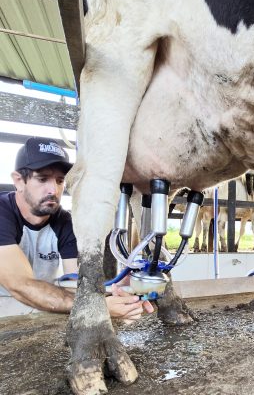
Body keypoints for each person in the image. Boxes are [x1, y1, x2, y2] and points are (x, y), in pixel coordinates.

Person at [0, 137, 154, 321]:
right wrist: (98, 307)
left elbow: (72, 284)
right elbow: (19, 285)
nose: (53, 190)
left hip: (40, 306)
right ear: (18, 181)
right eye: (42, 179)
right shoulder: (3, 213)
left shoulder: (64, 221)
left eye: (59, 180)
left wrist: (116, 289)